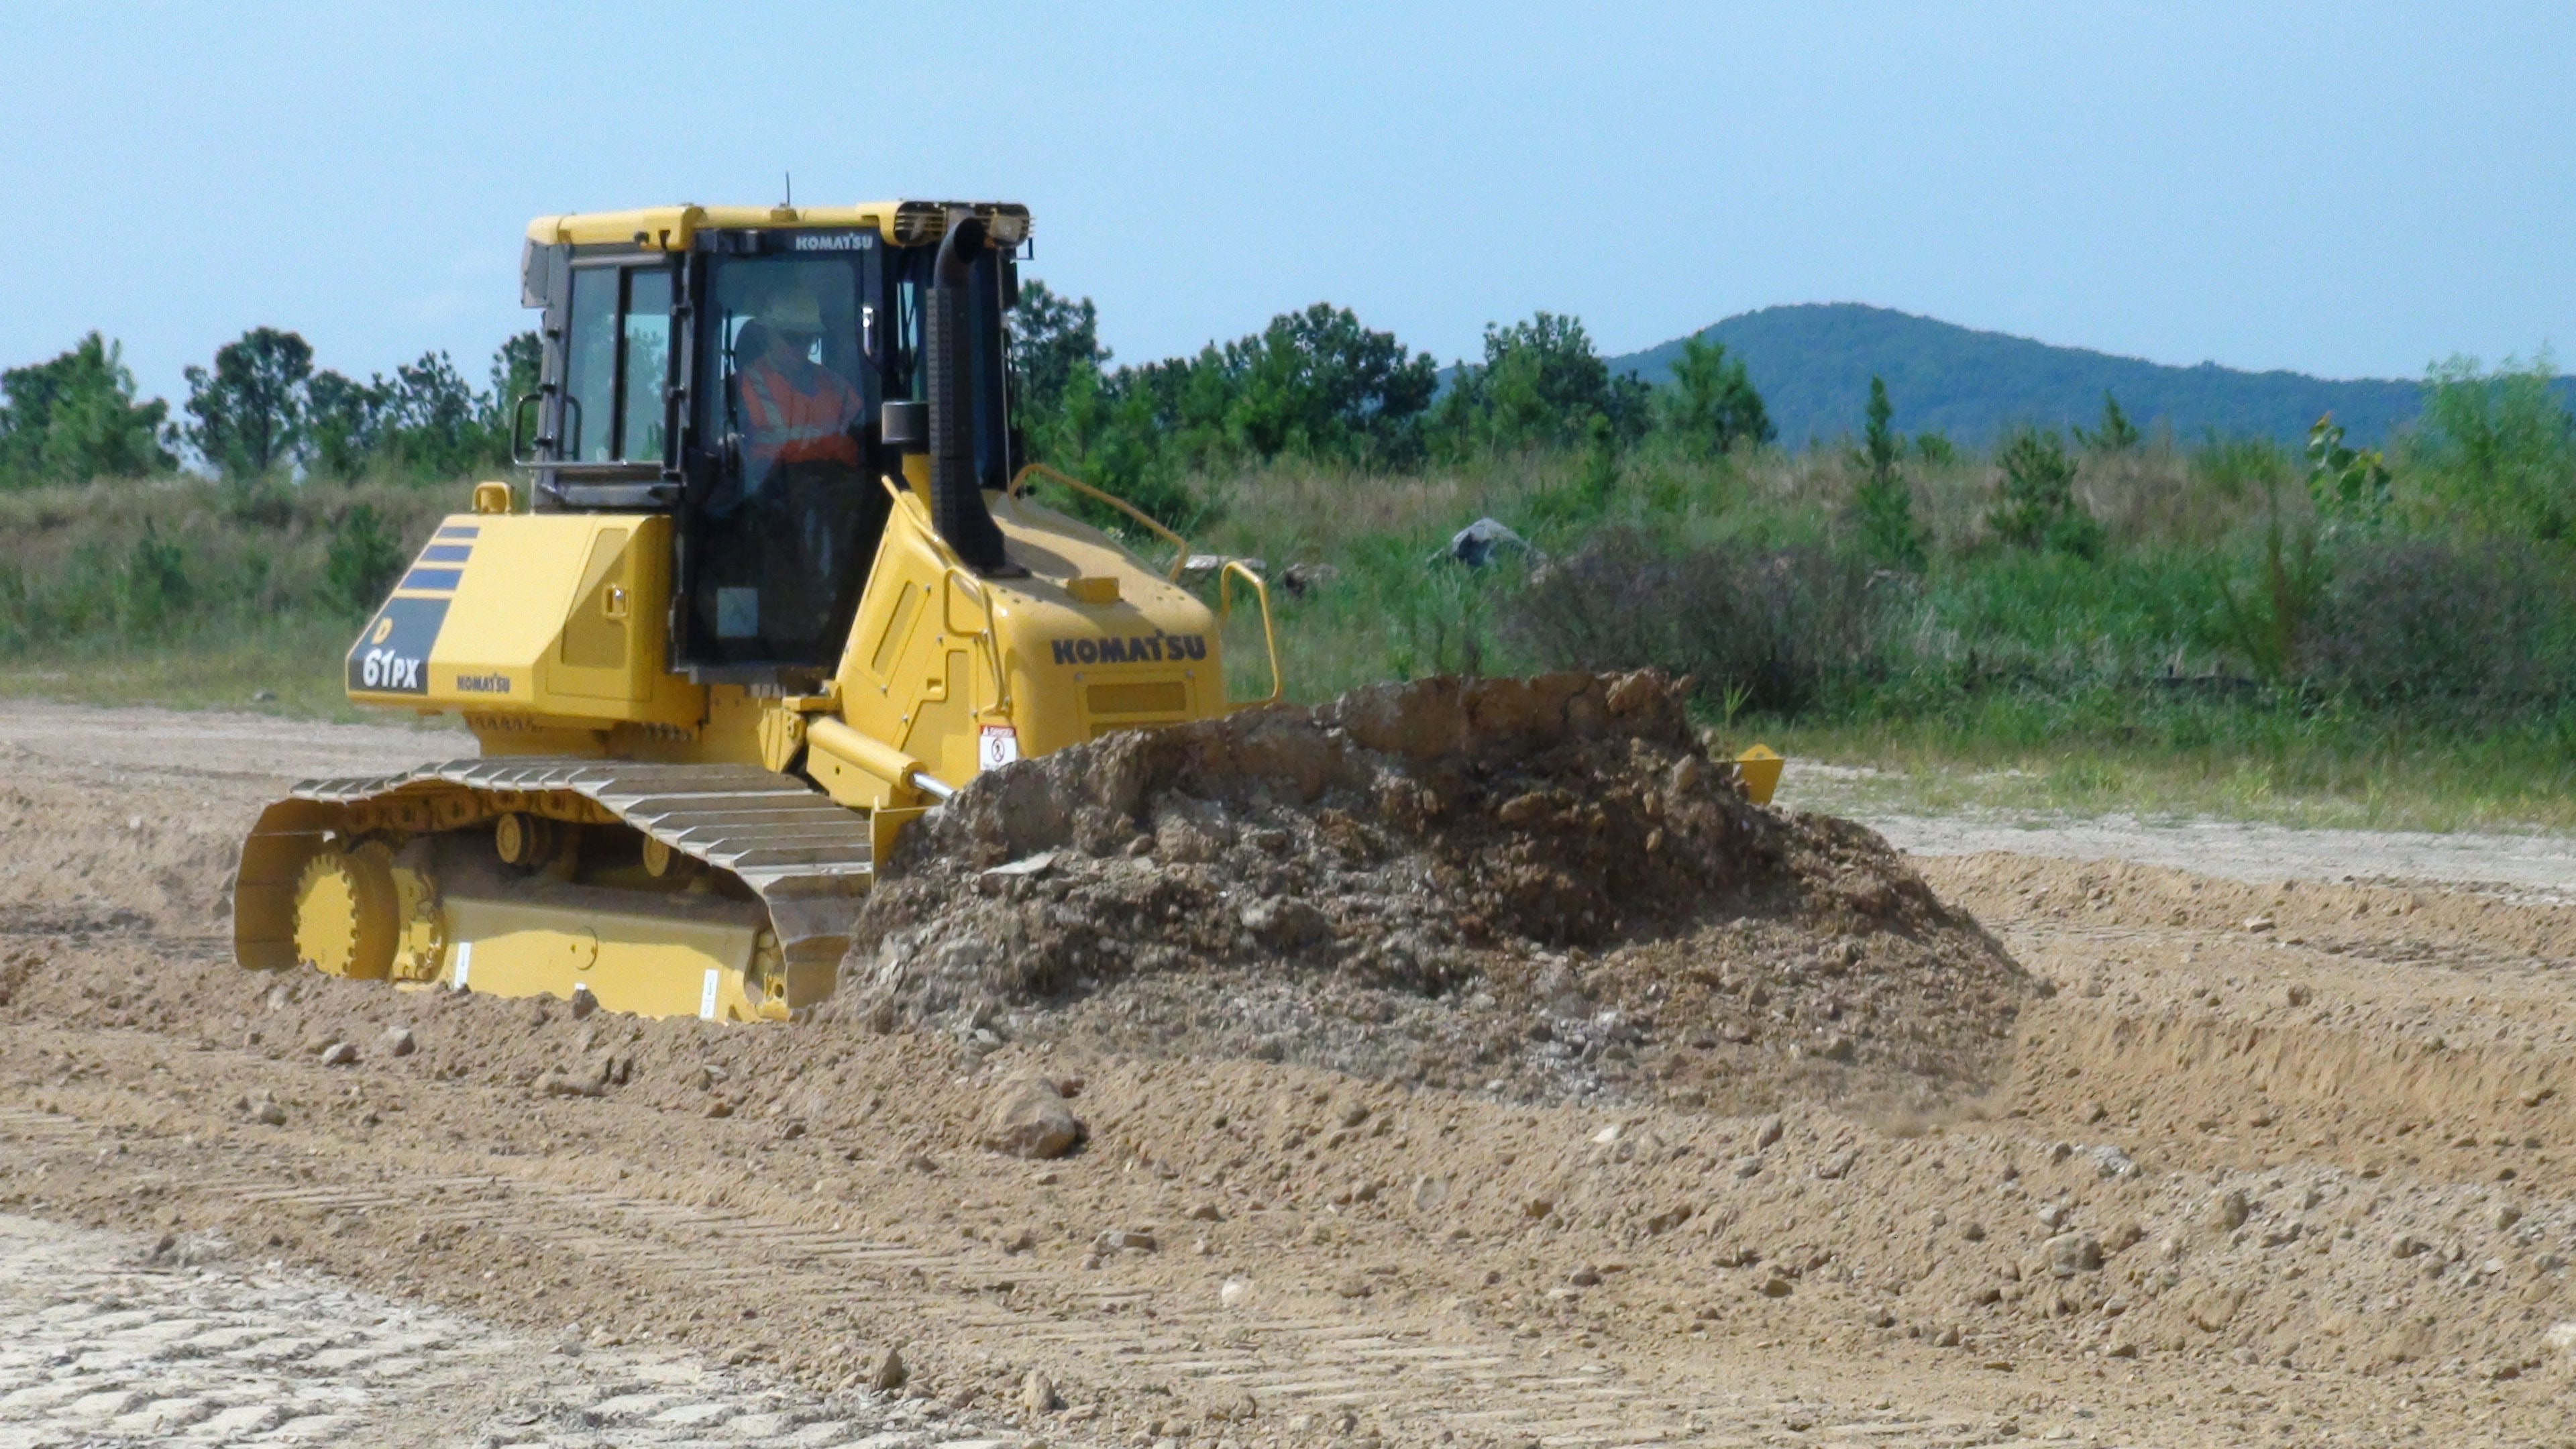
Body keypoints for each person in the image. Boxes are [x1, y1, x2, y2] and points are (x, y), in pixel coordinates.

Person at [735, 289, 863, 492]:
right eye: (792, 337)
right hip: (764, 501)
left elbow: (861, 444)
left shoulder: (838, 386)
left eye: (809, 338)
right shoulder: (739, 388)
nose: (801, 346)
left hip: (835, 498)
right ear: (769, 334)